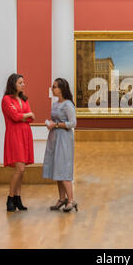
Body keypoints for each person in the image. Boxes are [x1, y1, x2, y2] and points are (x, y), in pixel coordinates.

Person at [43, 78, 78, 212]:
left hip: (64, 138)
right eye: (53, 86)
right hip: (54, 137)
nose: (53, 88)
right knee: (57, 168)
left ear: (62, 89)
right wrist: (51, 124)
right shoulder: (56, 103)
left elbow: (73, 123)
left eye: (55, 87)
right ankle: (61, 198)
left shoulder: (68, 105)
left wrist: (56, 124)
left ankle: (71, 200)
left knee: (63, 168)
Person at [1, 73, 35, 212]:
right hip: (14, 135)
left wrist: (24, 116)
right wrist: (26, 115)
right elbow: (15, 117)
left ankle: (18, 198)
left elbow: (31, 118)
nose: (23, 84)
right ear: (13, 84)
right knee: (19, 168)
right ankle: (10, 197)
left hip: (25, 133)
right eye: (20, 82)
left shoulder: (23, 99)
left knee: (22, 170)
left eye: (23, 82)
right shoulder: (6, 99)